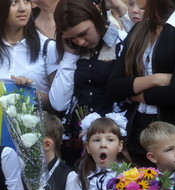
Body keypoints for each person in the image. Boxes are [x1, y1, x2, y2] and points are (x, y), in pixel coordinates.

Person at [107, 0, 175, 167]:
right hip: (136, 128)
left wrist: (133, 96)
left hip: (172, 132)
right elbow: (113, 87)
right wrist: (156, 79)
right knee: (139, 189)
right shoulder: (139, 28)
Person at [50, 0, 127, 165]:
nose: (81, 42)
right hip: (75, 144)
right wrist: (70, 56)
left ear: (95, 18)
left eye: (84, 33)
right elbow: (59, 103)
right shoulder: (70, 50)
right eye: (73, 38)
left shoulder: (122, 42)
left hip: (113, 145)